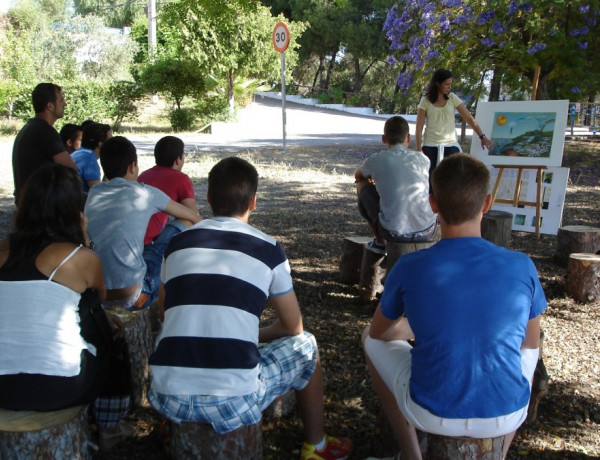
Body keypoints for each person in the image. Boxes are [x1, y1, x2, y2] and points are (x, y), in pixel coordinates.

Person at [147, 157, 353, 460]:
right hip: (233, 400)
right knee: (307, 346)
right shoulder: (268, 249)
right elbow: (293, 327)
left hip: (166, 394)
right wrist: (251, 335)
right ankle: (317, 446)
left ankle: (173, 424)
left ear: (208, 199)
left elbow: (166, 314)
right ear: (253, 202)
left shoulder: (178, 244)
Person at [362, 154, 546, 460]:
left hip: (430, 411)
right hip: (507, 413)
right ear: (486, 204)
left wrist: (412, 325)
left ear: (433, 204)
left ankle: (410, 453)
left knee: (367, 339)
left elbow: (379, 333)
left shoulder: (410, 266)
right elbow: (530, 342)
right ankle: (498, 454)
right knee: (530, 349)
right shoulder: (521, 265)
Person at [0, 164, 132, 451]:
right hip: (60, 388)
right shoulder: (78, 257)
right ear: (74, 209)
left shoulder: (2, 249)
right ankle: (110, 426)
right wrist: (85, 241)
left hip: (2, 387)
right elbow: (99, 296)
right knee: (111, 335)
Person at [84, 136, 201, 311]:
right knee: (182, 224)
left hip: (99, 295)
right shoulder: (145, 193)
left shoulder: (93, 193)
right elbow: (192, 216)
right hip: (137, 296)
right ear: (132, 166)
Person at [355, 115, 437, 254]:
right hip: (427, 230)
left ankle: (380, 242)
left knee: (361, 184)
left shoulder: (376, 159)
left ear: (384, 138)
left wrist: (374, 177)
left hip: (393, 233)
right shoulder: (423, 159)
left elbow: (358, 175)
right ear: (408, 138)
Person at [137, 135, 199, 303]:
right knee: (186, 222)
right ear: (178, 159)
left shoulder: (144, 175)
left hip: (135, 242)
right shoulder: (180, 178)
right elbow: (192, 215)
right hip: (149, 246)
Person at [415, 69, 494, 178]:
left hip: (450, 145)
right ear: (438, 84)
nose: (449, 87)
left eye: (450, 84)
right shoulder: (425, 101)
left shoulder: (452, 98)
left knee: (454, 179)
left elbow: (469, 119)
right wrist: (419, 148)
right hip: (430, 145)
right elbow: (419, 126)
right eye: (446, 84)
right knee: (430, 180)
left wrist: (482, 137)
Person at [11, 82, 78, 203]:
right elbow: (71, 170)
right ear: (50, 106)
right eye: (61, 100)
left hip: (27, 204)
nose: (65, 104)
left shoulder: (30, 127)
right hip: (40, 208)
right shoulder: (45, 131)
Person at [71, 122, 113, 193]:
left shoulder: (80, 153)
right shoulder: (90, 161)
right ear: (101, 144)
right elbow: (98, 195)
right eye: (111, 141)